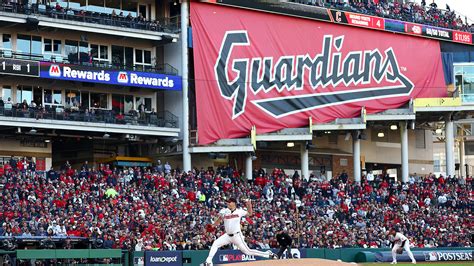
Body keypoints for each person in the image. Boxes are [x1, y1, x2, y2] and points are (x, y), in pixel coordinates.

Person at [204, 198, 277, 266]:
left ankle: (267, 254)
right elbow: (219, 220)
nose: (228, 203)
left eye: (230, 202)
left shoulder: (239, 211)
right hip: (227, 236)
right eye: (227, 202)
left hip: (237, 236)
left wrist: (249, 204)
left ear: (234, 203)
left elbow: (250, 213)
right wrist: (213, 225)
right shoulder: (224, 211)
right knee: (215, 243)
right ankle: (209, 261)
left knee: (248, 251)